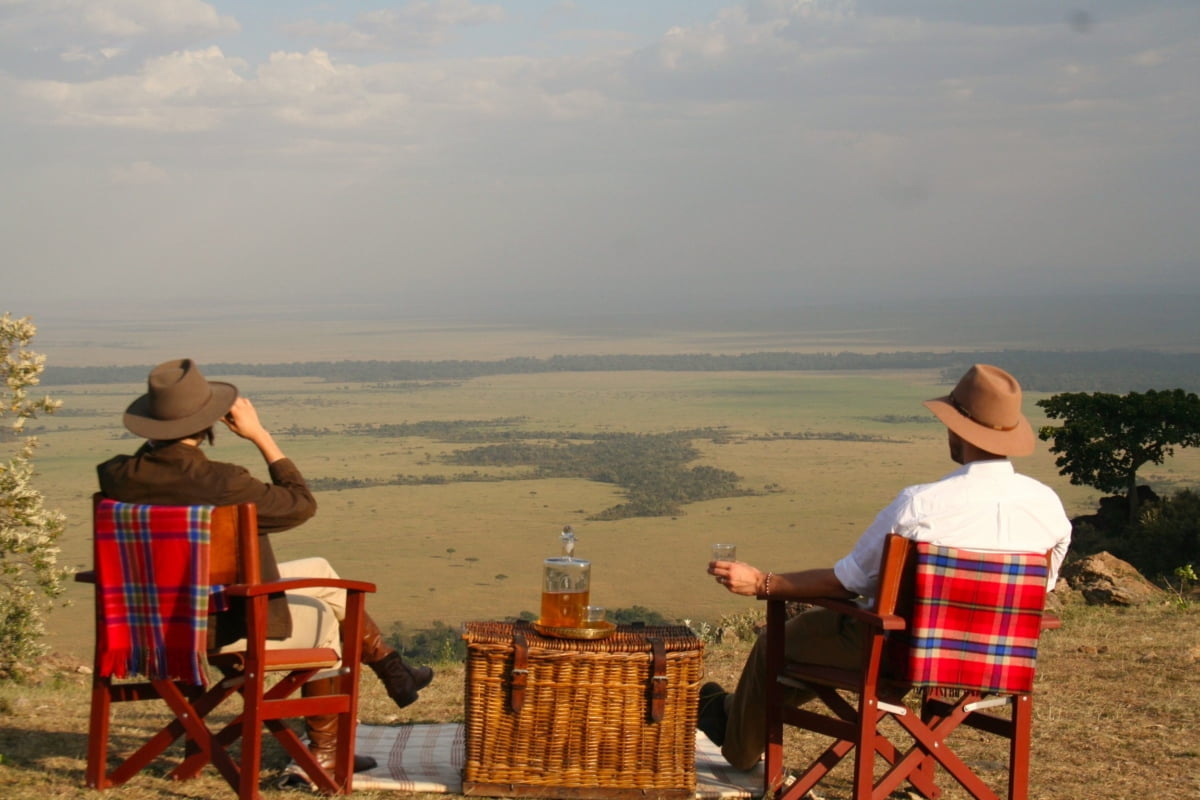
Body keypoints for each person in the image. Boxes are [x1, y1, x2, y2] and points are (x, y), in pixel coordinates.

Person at [700, 364, 1072, 771]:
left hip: (902, 653)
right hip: (997, 658)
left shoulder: (922, 505)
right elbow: (1042, 588)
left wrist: (762, 583)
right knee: (809, 647)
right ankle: (727, 711)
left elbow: (847, 582)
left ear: (956, 429)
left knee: (780, 643)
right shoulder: (1048, 507)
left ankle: (737, 744)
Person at [97, 358, 434, 775]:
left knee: (323, 571)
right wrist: (260, 435)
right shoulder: (224, 482)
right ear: (211, 422)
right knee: (330, 618)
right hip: (221, 626)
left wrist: (158, 438)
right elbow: (301, 505)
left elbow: (149, 467)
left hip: (145, 620)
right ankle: (326, 750)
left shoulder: (116, 475)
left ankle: (394, 669)